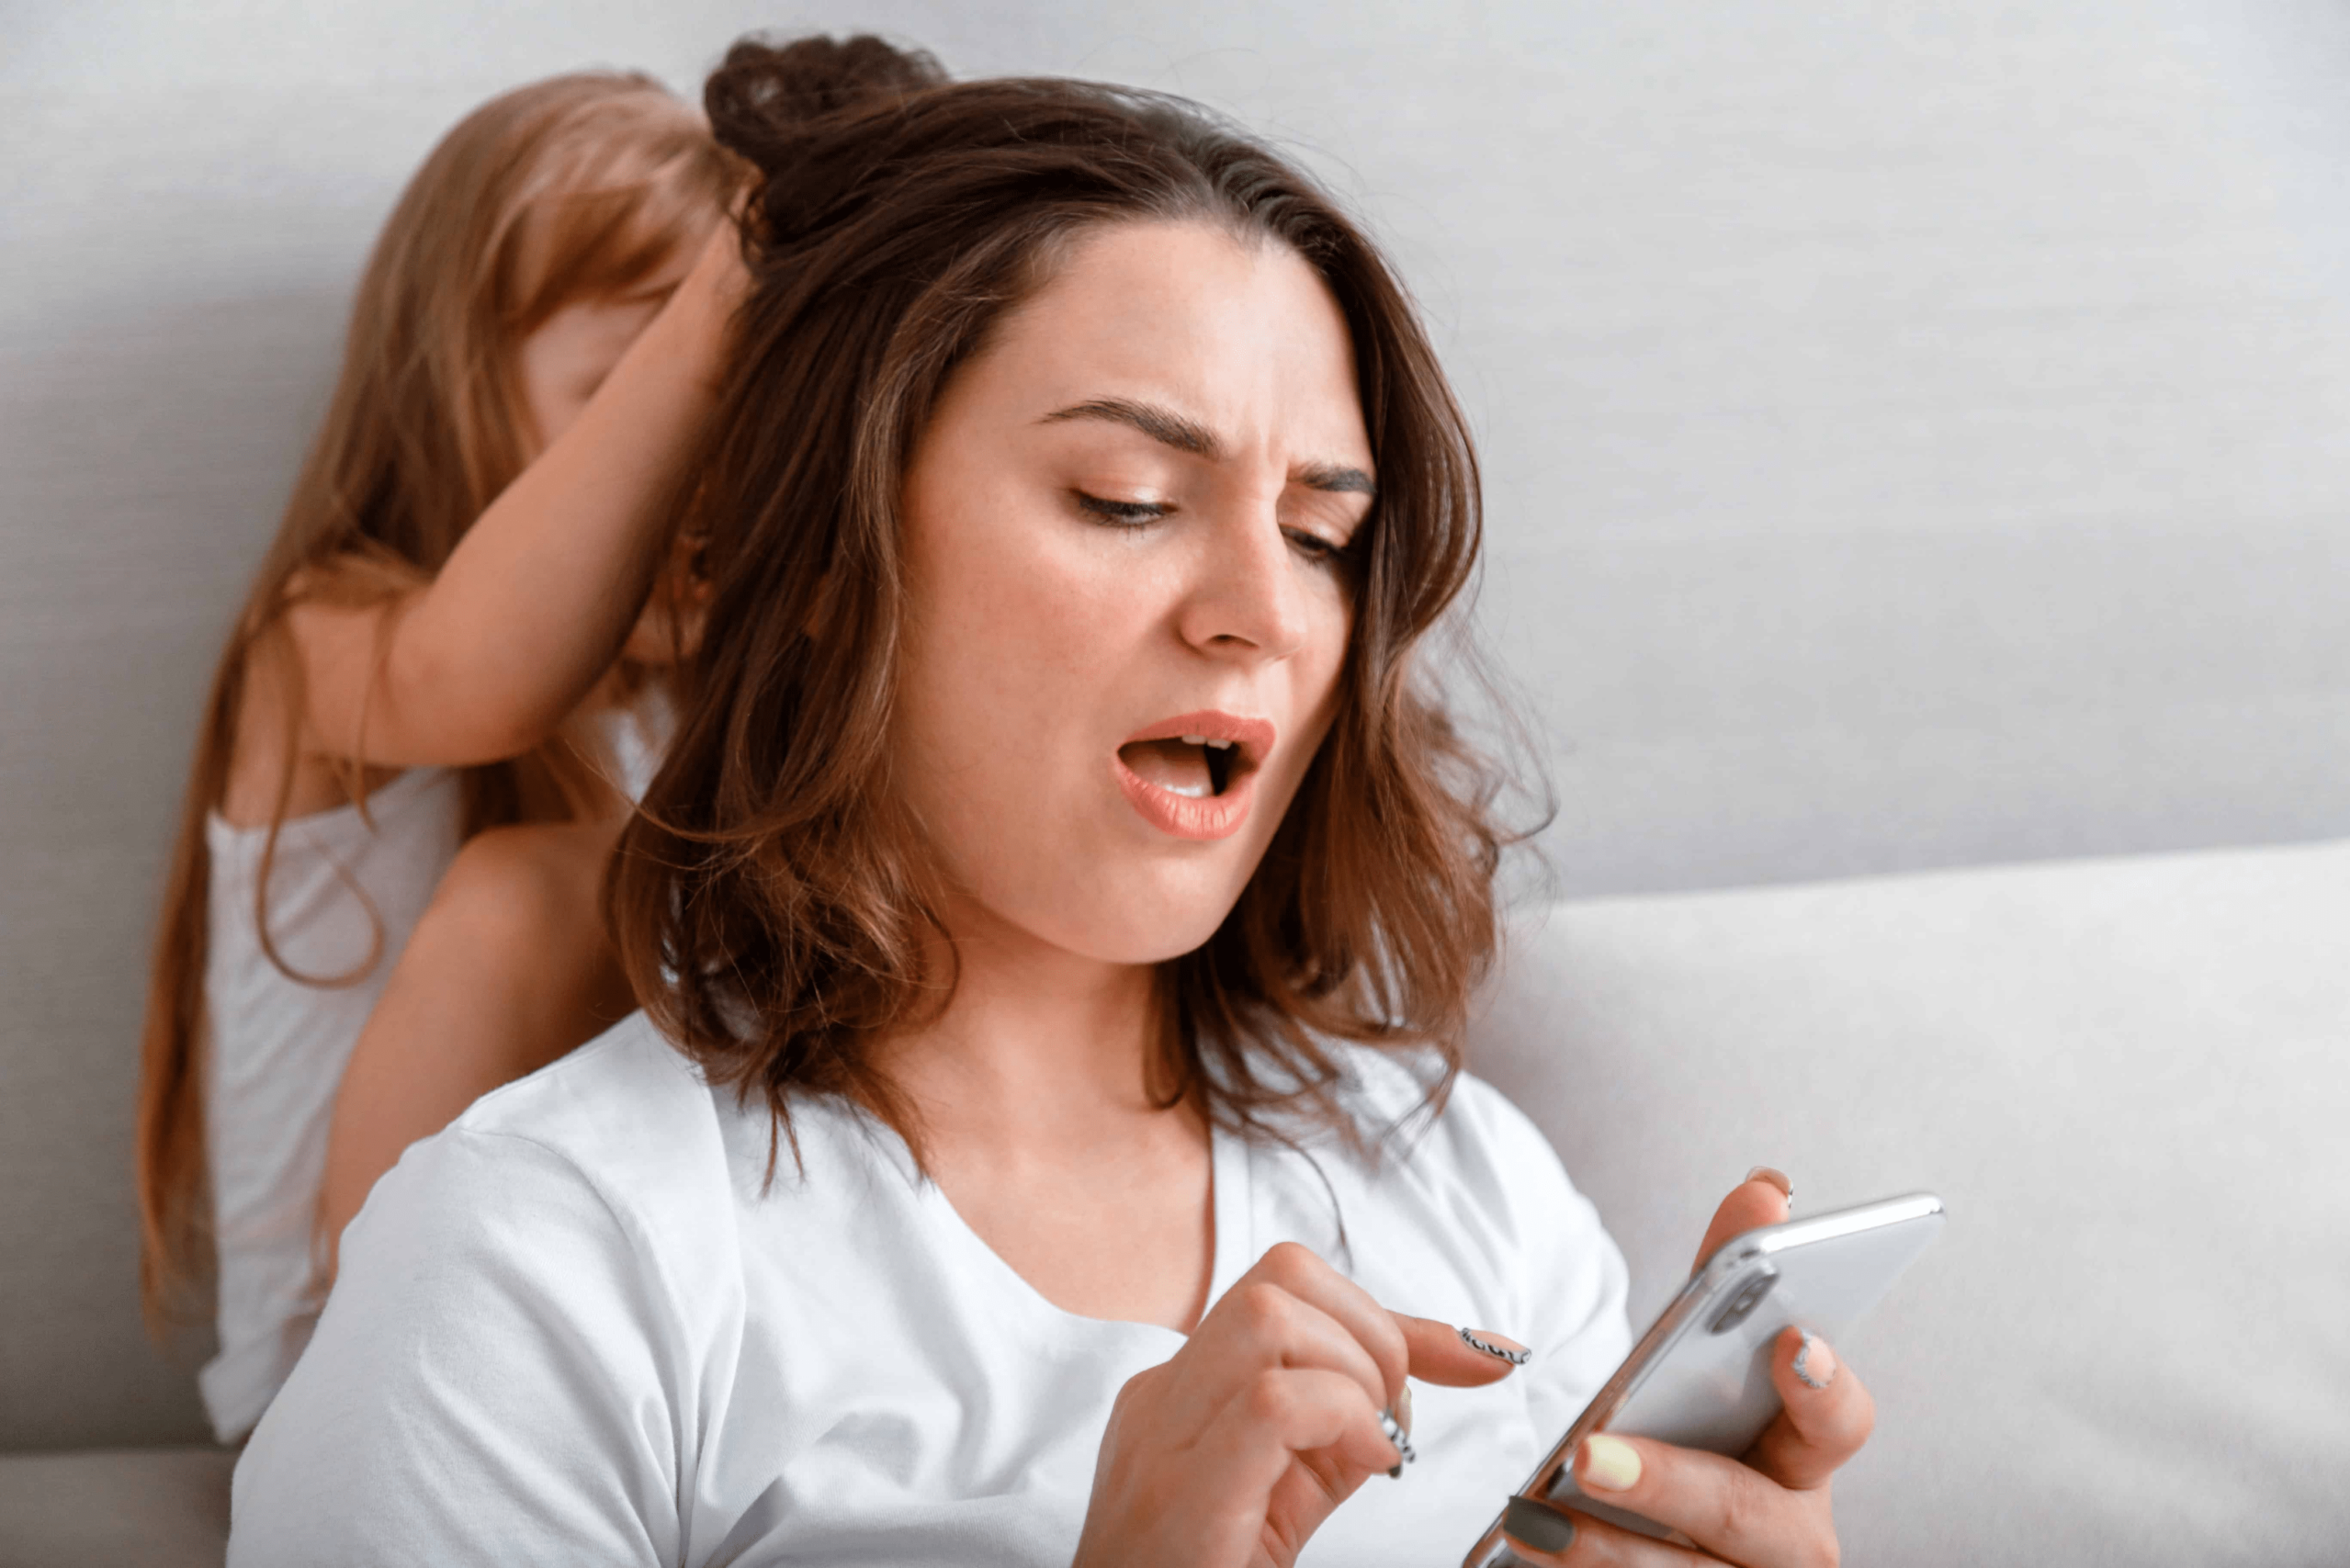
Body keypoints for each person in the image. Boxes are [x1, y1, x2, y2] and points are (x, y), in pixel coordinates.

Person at [227, 35, 1877, 1567]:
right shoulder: (543, 1268)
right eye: (1127, 497)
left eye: (1319, 533)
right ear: (825, 554)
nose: (1263, 606)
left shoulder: (1470, 1180)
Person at [135, 68, 740, 1445]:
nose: (707, 469)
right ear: (463, 393)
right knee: (546, 889)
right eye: (643, 405)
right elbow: (484, 678)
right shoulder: (323, 645)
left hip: (599, 1348)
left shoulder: (703, 698)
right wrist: (714, 312)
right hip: (344, 1387)